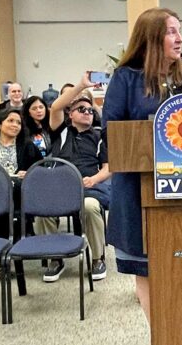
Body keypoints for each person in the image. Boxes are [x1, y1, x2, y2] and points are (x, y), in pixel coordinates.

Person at [103, 7, 182, 322]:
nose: (179, 38)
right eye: (171, 31)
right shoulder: (126, 79)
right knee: (148, 269)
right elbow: (114, 136)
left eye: (180, 31)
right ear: (151, 39)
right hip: (141, 192)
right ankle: (160, 334)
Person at [48, 85, 110, 283]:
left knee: (90, 207)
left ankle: (97, 258)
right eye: (81, 109)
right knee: (42, 211)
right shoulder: (61, 132)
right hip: (60, 188)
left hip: (90, 188)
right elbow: (55, 108)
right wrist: (81, 87)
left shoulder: (99, 136)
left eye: (90, 110)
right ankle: (55, 258)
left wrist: (94, 179)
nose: (87, 113)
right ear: (70, 115)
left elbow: (109, 168)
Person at [0, 109, 41, 238]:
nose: (15, 125)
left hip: (20, 193)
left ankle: (22, 234)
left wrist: (30, 173)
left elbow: (41, 168)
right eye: (10, 121)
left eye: (18, 123)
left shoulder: (28, 146)